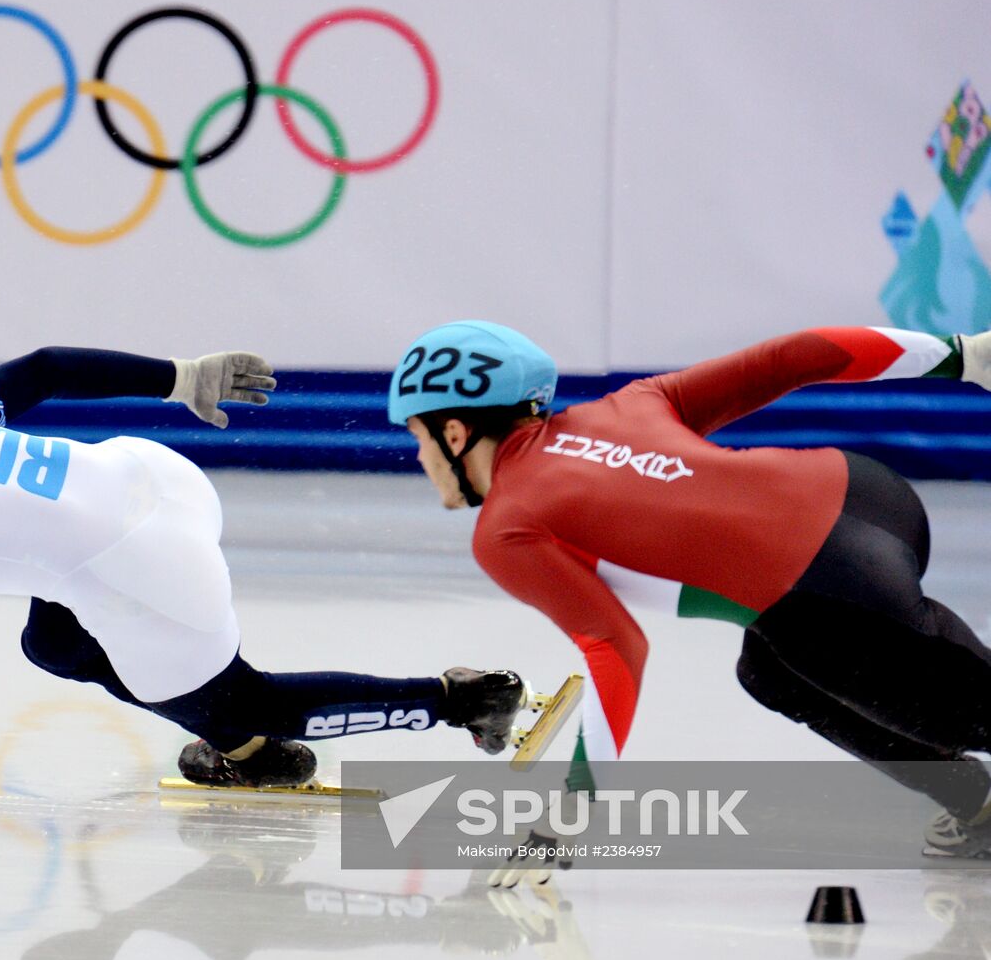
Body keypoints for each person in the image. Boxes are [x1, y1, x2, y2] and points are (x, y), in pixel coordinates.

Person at [0, 334, 524, 832]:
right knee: (49, 640)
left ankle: (456, 701)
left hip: (137, 564)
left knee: (249, 704)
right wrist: (180, 378)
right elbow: (41, 368)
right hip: (146, 477)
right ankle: (240, 742)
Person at [387, 319, 991, 862]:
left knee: (962, 714)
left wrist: (572, 808)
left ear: (457, 433)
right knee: (770, 673)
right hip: (869, 495)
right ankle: (977, 799)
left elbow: (616, 648)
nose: (420, 456)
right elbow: (796, 355)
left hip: (830, 593)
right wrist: (962, 355)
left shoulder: (507, 527)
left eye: (418, 435)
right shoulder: (626, 405)